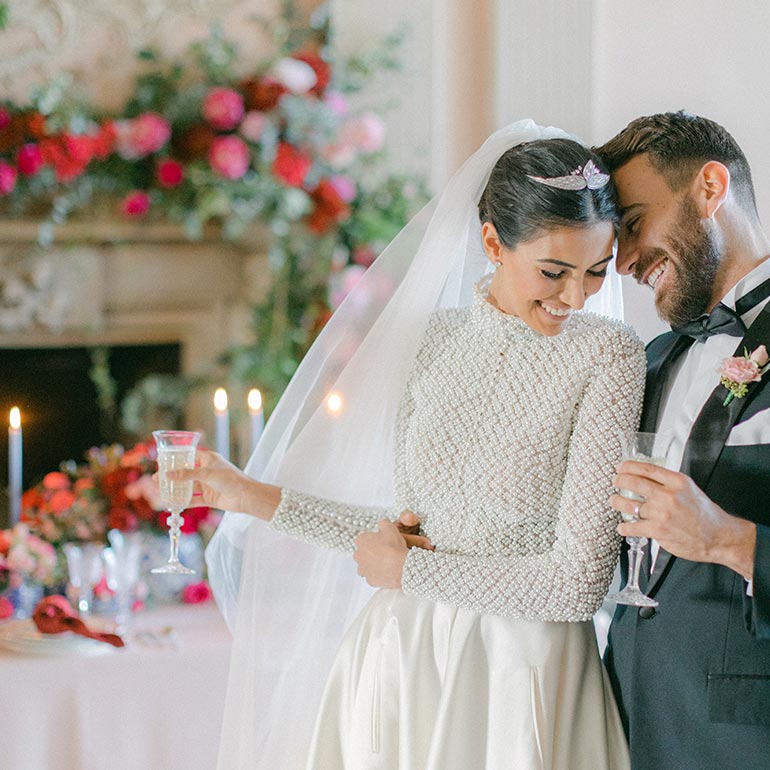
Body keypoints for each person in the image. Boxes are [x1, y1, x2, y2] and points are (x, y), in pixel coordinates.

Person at [186, 121, 645, 769]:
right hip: (402, 661)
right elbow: (400, 541)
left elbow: (576, 588)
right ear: (492, 242)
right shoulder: (431, 341)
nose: (576, 296)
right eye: (554, 270)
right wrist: (244, 493)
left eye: (596, 271)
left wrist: (410, 572)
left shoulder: (608, 355)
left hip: (522, 671)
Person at [596, 111, 770, 770]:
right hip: (630, 730)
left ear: (709, 187)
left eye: (635, 224)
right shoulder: (647, 360)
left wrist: (731, 540)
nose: (623, 261)